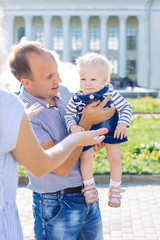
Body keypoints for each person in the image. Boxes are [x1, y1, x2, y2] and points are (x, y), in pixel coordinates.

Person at [9, 41, 115, 240]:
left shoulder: (63, 92)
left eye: (56, 71)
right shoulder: (25, 116)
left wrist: (95, 141)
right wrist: (85, 124)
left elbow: (81, 145)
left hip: (87, 196)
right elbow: (61, 167)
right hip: (56, 204)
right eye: (49, 76)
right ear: (26, 82)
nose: (58, 79)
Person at [65, 52, 132, 207]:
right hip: (88, 133)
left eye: (93, 79)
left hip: (112, 130)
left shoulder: (111, 94)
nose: (88, 83)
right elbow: (68, 114)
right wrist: (72, 126)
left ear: (105, 80)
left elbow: (126, 107)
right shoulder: (76, 98)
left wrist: (123, 123)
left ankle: (115, 189)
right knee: (86, 157)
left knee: (115, 158)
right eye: (83, 79)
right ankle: (89, 188)